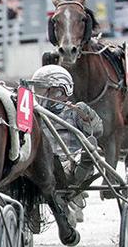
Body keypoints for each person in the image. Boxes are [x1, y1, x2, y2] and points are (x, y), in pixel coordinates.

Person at [32, 64, 101, 225]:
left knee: (89, 150)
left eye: (43, 90)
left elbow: (97, 131)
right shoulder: (34, 114)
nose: (39, 95)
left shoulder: (74, 110)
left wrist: (86, 117)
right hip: (42, 163)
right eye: (37, 90)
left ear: (60, 91)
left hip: (70, 162)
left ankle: (75, 194)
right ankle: (32, 208)